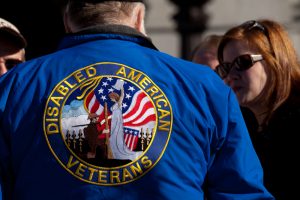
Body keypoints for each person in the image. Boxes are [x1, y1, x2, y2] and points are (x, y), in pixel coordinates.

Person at [0, 1, 273, 199]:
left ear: (67, 21)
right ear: (140, 18)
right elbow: (240, 192)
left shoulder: (15, 86)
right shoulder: (205, 87)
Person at [216, 19, 300, 199]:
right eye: (225, 68)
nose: (231, 76)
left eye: (242, 62)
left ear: (276, 59)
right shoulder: (237, 126)